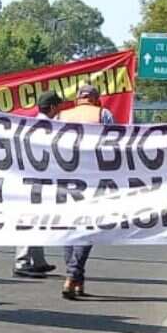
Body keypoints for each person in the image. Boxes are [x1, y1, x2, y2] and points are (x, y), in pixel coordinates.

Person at [57, 84, 115, 300]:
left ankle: (76, 278)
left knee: (70, 228)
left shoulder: (62, 115)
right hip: (93, 179)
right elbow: (113, 145)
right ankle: (72, 276)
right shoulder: (103, 114)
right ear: (95, 99)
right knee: (87, 228)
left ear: (78, 98)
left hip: (64, 179)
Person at [13, 90, 62, 279]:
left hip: (32, 177)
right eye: (57, 106)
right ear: (51, 107)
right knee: (30, 219)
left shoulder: (32, 125)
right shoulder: (47, 127)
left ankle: (38, 260)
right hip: (36, 179)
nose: (59, 109)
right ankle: (22, 261)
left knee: (39, 219)